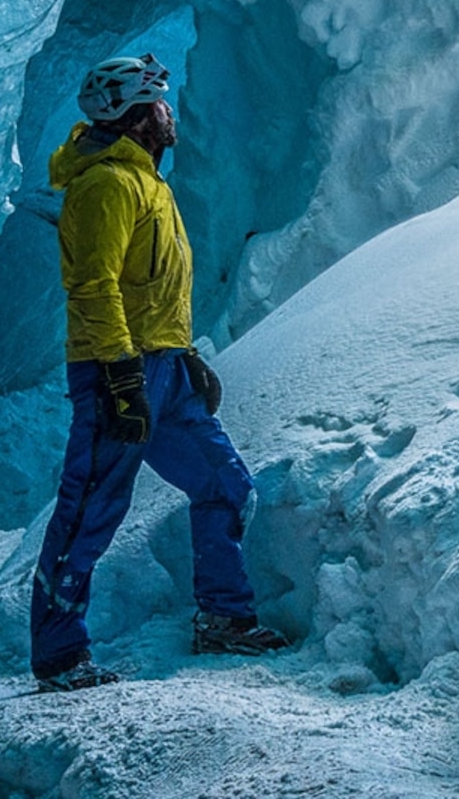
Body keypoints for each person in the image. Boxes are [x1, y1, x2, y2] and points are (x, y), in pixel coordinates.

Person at [28, 52, 290, 690]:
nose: (169, 112)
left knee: (227, 486)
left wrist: (183, 353)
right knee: (90, 508)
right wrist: (121, 373)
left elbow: (147, 287)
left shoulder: (148, 182)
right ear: (133, 114)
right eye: (159, 101)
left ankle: (225, 619)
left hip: (163, 368)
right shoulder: (107, 185)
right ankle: (60, 656)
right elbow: (93, 285)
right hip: (116, 368)